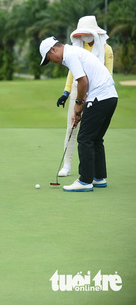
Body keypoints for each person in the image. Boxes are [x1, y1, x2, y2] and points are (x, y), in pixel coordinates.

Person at [39, 36, 118, 192]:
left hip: (100, 97)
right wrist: (81, 109)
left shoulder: (69, 55)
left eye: (50, 58)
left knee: (84, 138)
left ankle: (85, 181)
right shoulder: (75, 51)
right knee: (95, 138)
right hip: (110, 97)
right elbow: (87, 81)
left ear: (53, 49)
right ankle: (98, 177)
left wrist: (78, 105)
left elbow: (82, 82)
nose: (54, 62)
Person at [56, 16, 113, 177]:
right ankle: (67, 165)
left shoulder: (106, 49)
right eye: (80, 33)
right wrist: (66, 93)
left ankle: (92, 173)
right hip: (78, 89)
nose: (82, 37)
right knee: (72, 127)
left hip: (96, 91)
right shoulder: (78, 46)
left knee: (89, 134)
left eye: (86, 33)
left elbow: (108, 74)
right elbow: (72, 72)